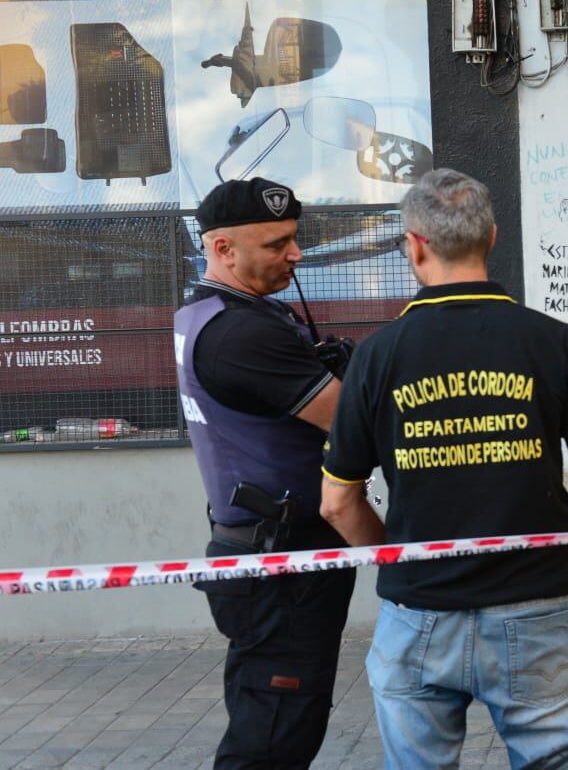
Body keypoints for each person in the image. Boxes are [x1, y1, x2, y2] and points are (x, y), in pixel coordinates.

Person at [318, 170, 568, 769]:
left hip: (420, 611)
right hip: (540, 602)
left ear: (415, 245)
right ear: (492, 238)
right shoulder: (551, 340)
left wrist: (397, 557)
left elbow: (336, 502)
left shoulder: (378, 354)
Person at [173, 177, 355, 769]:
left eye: (294, 239)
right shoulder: (241, 332)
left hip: (267, 561)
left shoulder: (212, 312)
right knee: (273, 739)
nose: (295, 254)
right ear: (223, 249)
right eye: (277, 244)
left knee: (272, 721)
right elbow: (354, 428)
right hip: (282, 569)